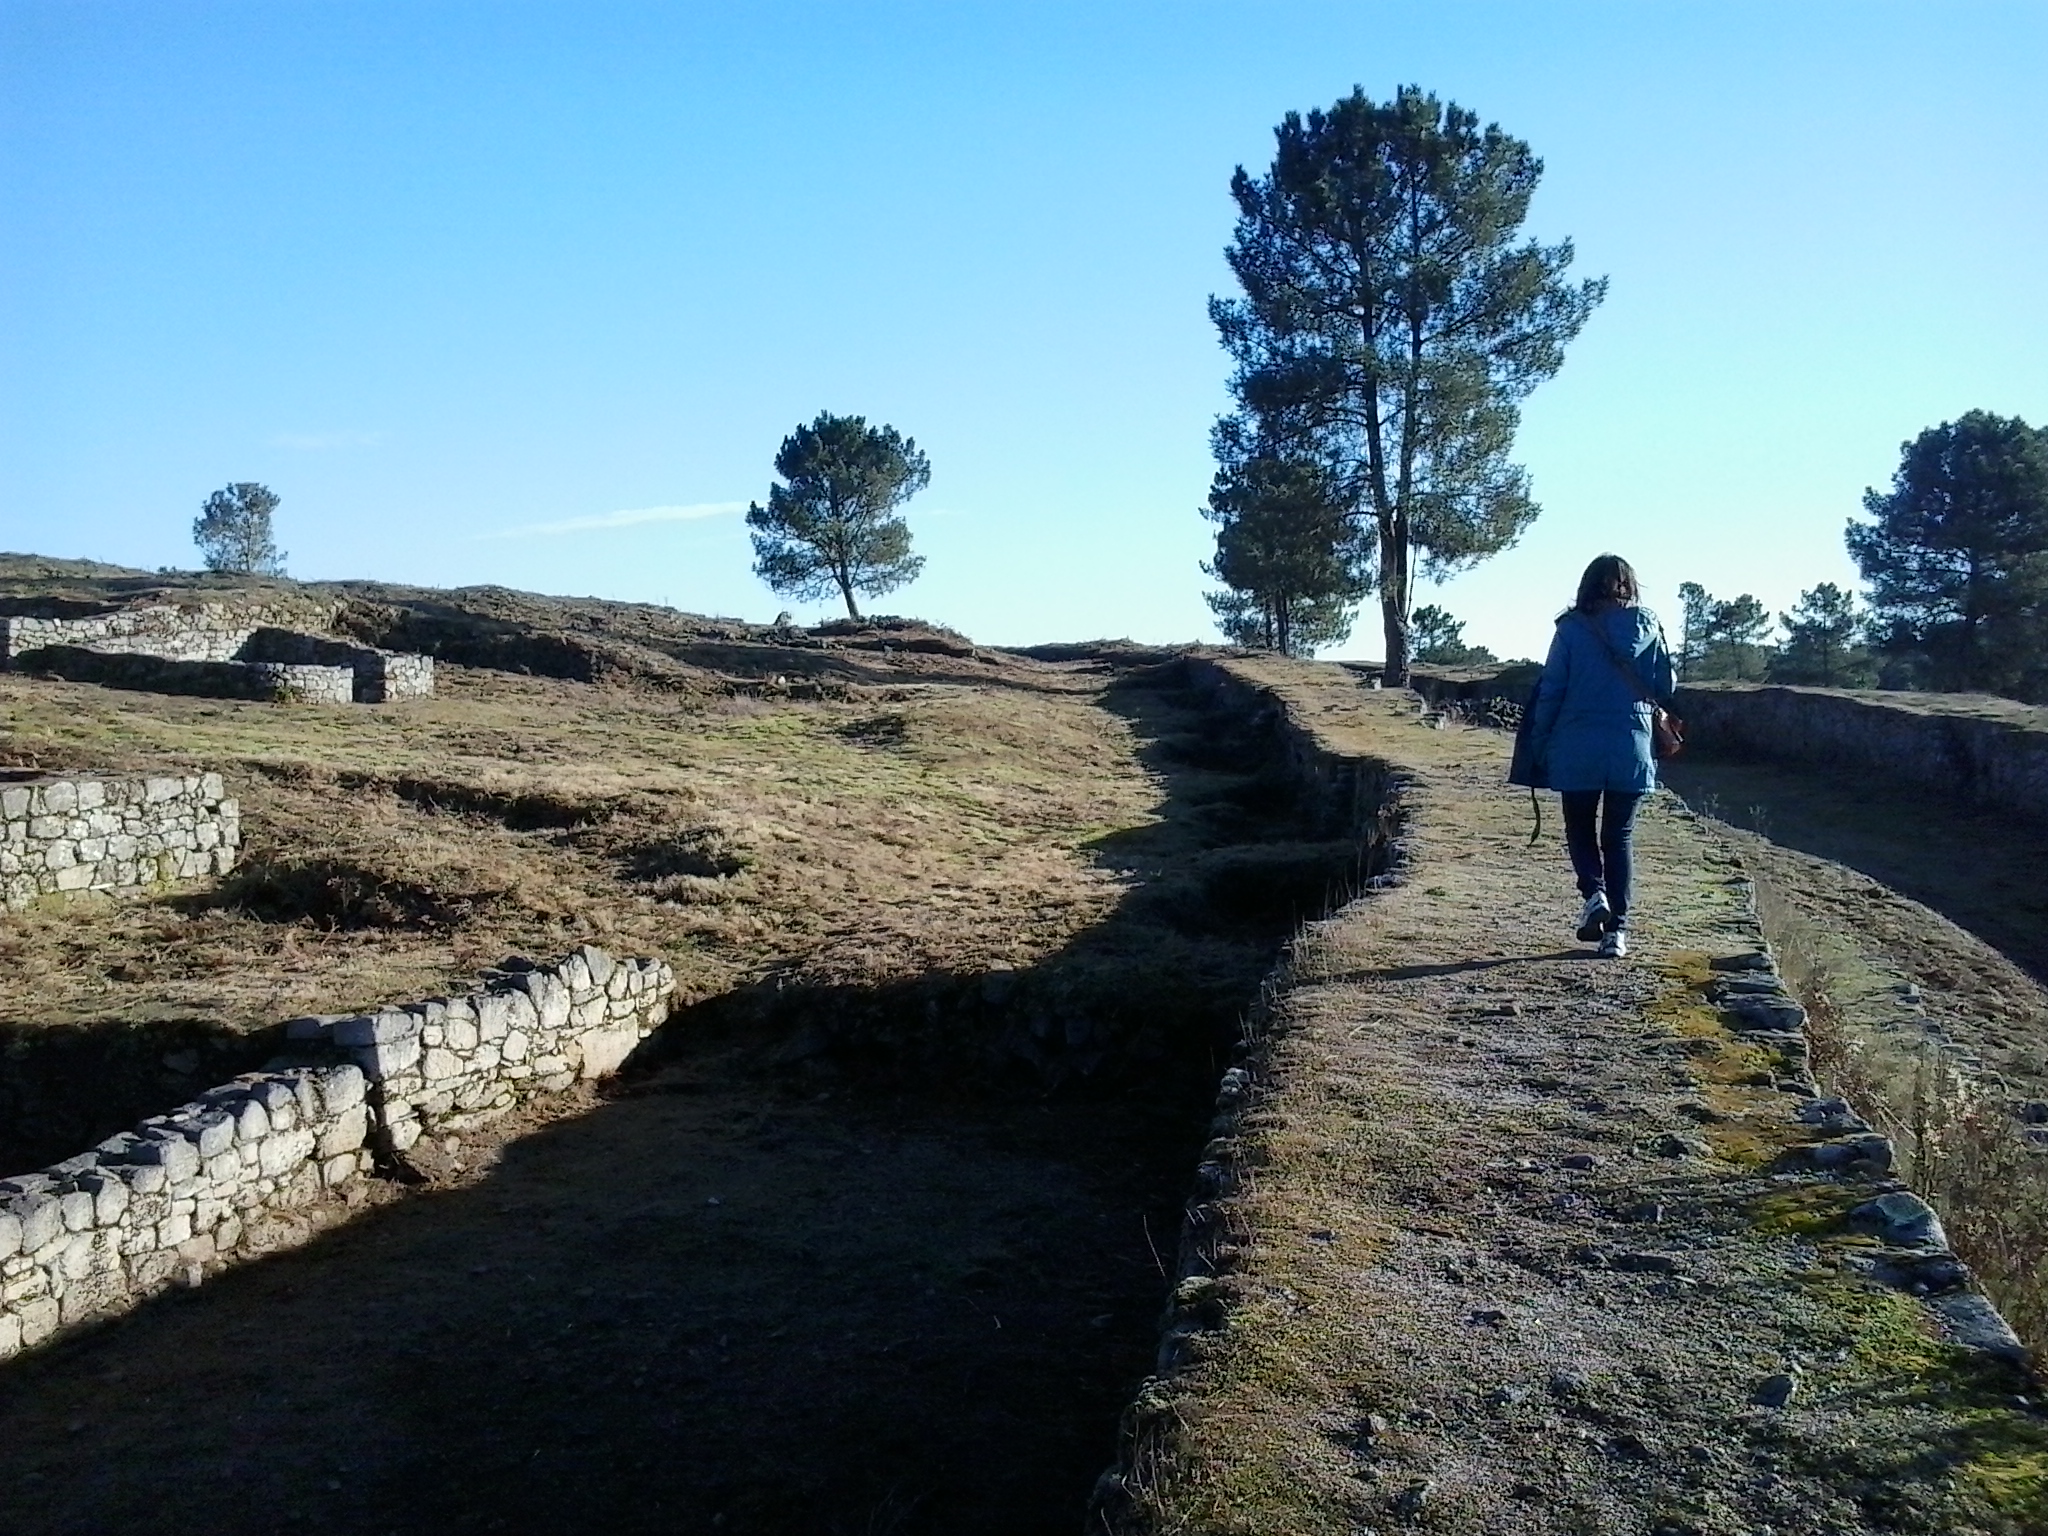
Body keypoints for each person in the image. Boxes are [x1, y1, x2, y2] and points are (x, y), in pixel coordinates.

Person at [1523, 554, 1676, 958]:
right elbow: (1665, 683)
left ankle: (1594, 893)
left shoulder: (1571, 630)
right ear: (1630, 585)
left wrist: (1540, 741)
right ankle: (1617, 934)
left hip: (1578, 744)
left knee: (1579, 827)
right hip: (1632, 743)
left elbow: (1552, 688)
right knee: (1619, 837)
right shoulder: (1649, 625)